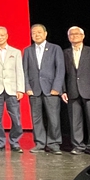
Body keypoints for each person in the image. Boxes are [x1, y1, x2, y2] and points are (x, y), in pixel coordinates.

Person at [61, 26, 90, 156]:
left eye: (77, 34)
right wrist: (63, 90)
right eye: (71, 34)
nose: (74, 36)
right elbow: (62, 74)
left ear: (83, 36)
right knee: (75, 121)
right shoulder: (65, 52)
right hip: (72, 90)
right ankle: (78, 146)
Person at [23, 24, 65, 154]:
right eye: (33, 33)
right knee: (36, 118)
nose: (36, 35)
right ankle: (40, 143)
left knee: (53, 118)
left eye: (39, 32)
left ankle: (54, 143)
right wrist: (27, 87)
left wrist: (57, 87)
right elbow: (24, 71)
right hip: (34, 89)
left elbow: (60, 69)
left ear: (45, 34)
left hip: (51, 89)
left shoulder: (55, 48)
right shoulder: (28, 50)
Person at [0, 26, 25, 153]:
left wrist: (20, 89)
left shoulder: (15, 52)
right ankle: (0, 142)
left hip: (12, 89)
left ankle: (14, 142)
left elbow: (19, 71)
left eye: (2, 35)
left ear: (7, 36)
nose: (0, 37)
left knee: (16, 118)